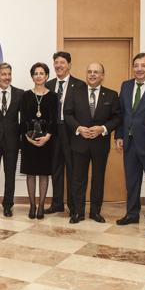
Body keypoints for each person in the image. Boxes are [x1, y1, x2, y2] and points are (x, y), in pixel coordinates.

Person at [64, 62, 121, 223]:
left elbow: (117, 118)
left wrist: (102, 128)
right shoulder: (75, 92)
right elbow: (67, 114)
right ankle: (78, 212)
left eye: (96, 72)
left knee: (98, 178)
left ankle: (95, 212)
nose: (92, 74)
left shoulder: (111, 95)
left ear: (102, 75)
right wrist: (79, 128)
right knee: (78, 179)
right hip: (79, 143)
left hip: (100, 145)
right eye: (89, 71)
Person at [115, 53, 145, 229]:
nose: (139, 69)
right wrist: (119, 135)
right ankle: (132, 214)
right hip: (129, 142)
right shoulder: (126, 86)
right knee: (131, 181)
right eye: (136, 65)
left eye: (143, 65)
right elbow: (121, 114)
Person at [45, 51, 84, 215]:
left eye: (62, 62)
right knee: (56, 169)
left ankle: (73, 205)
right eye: (56, 62)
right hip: (54, 133)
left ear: (69, 65)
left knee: (73, 170)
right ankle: (57, 203)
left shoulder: (80, 85)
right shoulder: (48, 85)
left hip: (71, 132)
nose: (59, 65)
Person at [0, 62, 23, 217]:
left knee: (10, 174)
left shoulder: (21, 94)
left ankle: (8, 205)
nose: (6, 77)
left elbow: (24, 119)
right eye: (3, 74)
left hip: (12, 141)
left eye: (9, 74)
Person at [20, 63, 57, 220]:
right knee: (30, 173)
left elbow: (54, 120)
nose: (39, 76)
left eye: (42, 73)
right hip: (29, 141)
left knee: (43, 174)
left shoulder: (53, 96)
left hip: (47, 141)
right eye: (36, 73)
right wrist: (28, 138)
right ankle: (32, 205)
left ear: (47, 76)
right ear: (32, 76)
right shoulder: (26, 95)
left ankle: (41, 205)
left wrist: (47, 136)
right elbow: (23, 120)